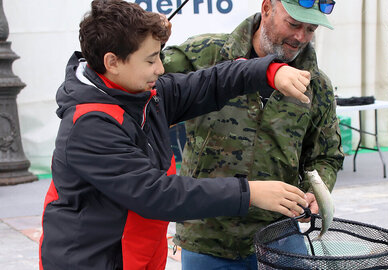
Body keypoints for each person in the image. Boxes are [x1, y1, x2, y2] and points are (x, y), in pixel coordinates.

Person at [39, 0, 315, 269]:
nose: (160, 68)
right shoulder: (89, 125)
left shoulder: (145, 95)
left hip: (139, 251)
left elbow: (211, 82)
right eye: (150, 60)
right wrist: (249, 192)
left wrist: (269, 71)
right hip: (93, 259)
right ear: (112, 62)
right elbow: (157, 194)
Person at [163, 0, 345, 268]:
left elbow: (326, 155)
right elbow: (138, 82)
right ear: (267, 7)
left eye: (310, 29)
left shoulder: (316, 84)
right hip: (207, 236)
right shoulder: (204, 55)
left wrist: (315, 192)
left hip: (279, 235)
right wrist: (146, 40)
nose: (300, 37)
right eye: (293, 24)